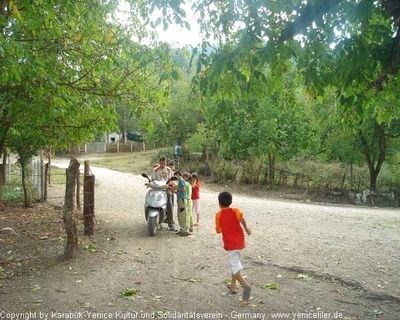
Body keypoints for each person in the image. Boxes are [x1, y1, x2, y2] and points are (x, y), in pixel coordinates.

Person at [215, 191, 252, 304]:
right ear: (230, 202)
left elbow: (218, 230)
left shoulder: (219, 215)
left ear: (219, 203)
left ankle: (245, 285)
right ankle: (232, 286)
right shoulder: (236, 211)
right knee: (235, 263)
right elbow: (242, 219)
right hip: (239, 242)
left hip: (230, 245)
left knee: (234, 265)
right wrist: (246, 228)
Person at [151, 156, 176, 231]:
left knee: (169, 203)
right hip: (157, 189)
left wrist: (169, 190)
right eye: (161, 163)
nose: (163, 165)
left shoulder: (168, 170)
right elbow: (153, 180)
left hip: (165, 190)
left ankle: (171, 223)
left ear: (166, 163)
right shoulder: (155, 170)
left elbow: (170, 181)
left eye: (164, 163)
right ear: (159, 162)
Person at [169, 170, 190, 236]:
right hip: (179, 198)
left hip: (182, 199)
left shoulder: (181, 180)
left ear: (178, 174)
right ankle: (182, 229)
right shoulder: (180, 181)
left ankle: (185, 230)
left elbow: (183, 189)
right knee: (180, 215)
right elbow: (179, 190)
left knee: (183, 215)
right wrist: (173, 190)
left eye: (176, 175)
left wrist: (174, 188)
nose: (175, 177)